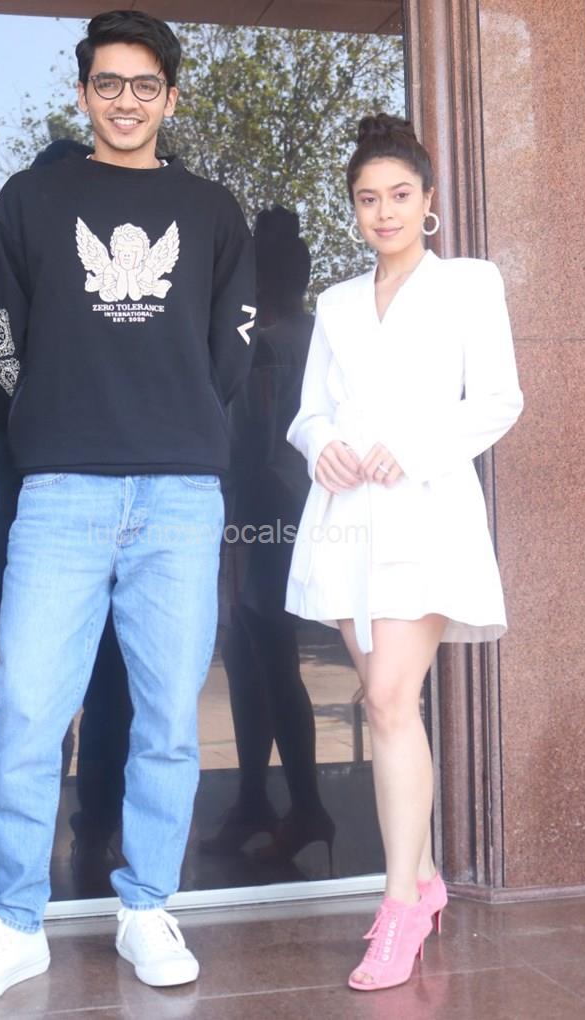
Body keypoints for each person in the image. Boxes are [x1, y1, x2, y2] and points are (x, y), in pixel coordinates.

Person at [0, 10, 255, 1007]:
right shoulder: (34, 198)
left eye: (144, 84)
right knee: (28, 710)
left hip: (179, 495)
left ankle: (147, 905)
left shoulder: (212, 210)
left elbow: (232, 346)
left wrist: (181, 416)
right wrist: (40, 414)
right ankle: (13, 922)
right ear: (83, 92)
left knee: (167, 720)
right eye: (107, 82)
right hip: (62, 490)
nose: (125, 100)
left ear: (170, 97)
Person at [285, 112, 523, 991]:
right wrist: (322, 446)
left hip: (424, 513)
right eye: (367, 199)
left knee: (387, 697)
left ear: (429, 201)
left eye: (398, 195)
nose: (383, 212)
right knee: (390, 707)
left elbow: (498, 400)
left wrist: (411, 448)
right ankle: (422, 880)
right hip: (347, 518)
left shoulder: (469, 283)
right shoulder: (338, 303)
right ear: (353, 209)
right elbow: (309, 411)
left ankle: (399, 909)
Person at [203, 207, 334, 870]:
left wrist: (235, 532)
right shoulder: (316, 339)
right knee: (254, 660)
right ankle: (257, 798)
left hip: (266, 517)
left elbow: (250, 450)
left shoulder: (269, 347)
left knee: (267, 661)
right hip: (296, 513)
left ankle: (303, 805)